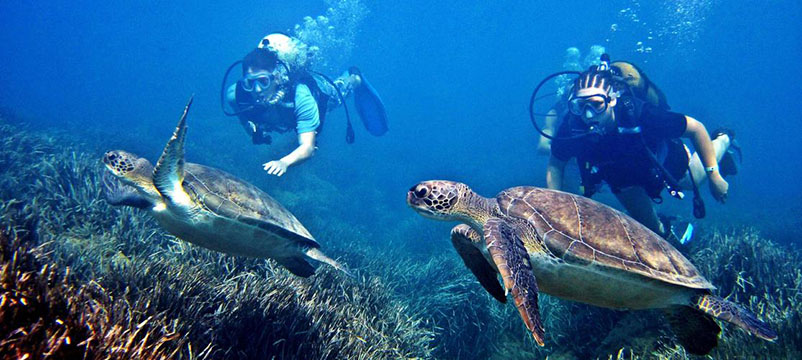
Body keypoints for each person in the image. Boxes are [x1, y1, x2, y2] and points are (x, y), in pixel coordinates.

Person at [545, 56, 740, 240]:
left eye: (597, 104)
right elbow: (556, 164)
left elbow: (696, 129)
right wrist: (554, 207)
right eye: (580, 106)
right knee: (652, 230)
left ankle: (724, 137)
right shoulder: (572, 126)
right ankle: (669, 231)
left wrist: (714, 175)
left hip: (662, 160)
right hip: (622, 180)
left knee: (693, 180)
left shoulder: (640, 113)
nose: (588, 114)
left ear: (612, 100)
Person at [224, 33, 388, 177]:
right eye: (249, 83)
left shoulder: (302, 97)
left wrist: (284, 163)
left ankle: (354, 77)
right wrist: (252, 130)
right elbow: (244, 119)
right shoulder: (236, 95)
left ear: (278, 77)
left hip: (322, 93)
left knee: (340, 90)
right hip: (286, 116)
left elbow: (308, 147)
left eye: (263, 81)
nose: (257, 90)